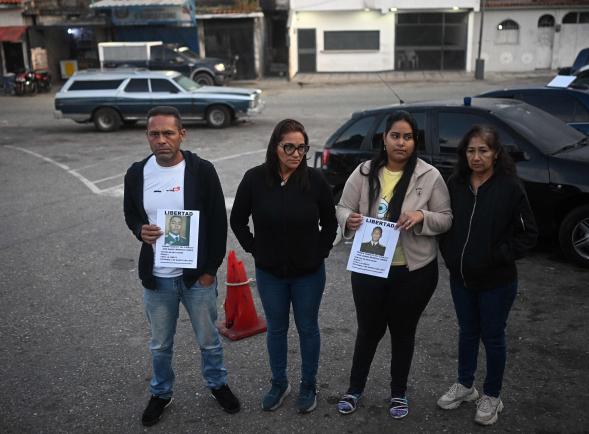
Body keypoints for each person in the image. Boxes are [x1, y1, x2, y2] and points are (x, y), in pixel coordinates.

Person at [124, 106, 240, 427]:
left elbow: (218, 224)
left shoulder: (201, 171)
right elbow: (131, 214)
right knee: (160, 344)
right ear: (147, 136)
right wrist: (139, 230)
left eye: (168, 133)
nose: (161, 140)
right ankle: (161, 392)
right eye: (154, 134)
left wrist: (208, 270)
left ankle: (217, 385)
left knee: (208, 339)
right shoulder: (137, 173)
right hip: (157, 279)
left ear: (182, 135)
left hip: (196, 277)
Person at [335, 110, 452, 419]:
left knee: (403, 332)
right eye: (395, 136)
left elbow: (446, 218)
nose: (401, 142)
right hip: (370, 268)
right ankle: (354, 388)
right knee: (368, 331)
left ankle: (398, 393)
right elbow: (342, 206)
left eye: (408, 137)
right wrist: (350, 219)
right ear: (384, 139)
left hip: (413, 272)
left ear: (415, 142)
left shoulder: (429, 176)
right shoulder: (364, 172)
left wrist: (422, 217)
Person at [230, 119, 338, 414]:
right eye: (288, 146)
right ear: (275, 146)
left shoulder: (315, 180)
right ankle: (279, 383)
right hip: (270, 274)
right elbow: (237, 220)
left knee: (307, 328)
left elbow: (330, 223)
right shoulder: (254, 179)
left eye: (301, 147)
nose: (296, 153)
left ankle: (308, 385)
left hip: (309, 274)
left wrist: (320, 253)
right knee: (276, 329)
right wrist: (256, 249)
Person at [437, 125, 537, 426]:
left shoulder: (510, 187)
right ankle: (466, 386)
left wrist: (498, 256)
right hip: (462, 278)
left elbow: (529, 234)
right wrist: (452, 254)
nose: (476, 157)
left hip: (497, 281)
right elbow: (445, 222)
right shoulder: (456, 184)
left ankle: (492, 395)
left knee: (493, 338)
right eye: (471, 151)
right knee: (467, 332)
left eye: (483, 150)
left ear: (495, 153)